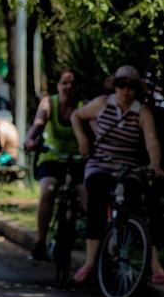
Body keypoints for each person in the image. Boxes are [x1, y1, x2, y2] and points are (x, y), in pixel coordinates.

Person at [70, 65, 164, 283]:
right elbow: (77, 116)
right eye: (121, 85)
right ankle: (90, 263)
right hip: (100, 164)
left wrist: (155, 163)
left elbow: (152, 139)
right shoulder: (102, 103)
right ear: (115, 86)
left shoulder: (142, 112)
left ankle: (153, 264)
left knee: (139, 208)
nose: (125, 91)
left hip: (128, 167)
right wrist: (83, 141)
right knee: (96, 201)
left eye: (131, 87)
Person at [24, 69, 87, 261]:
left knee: (89, 199)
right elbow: (38, 123)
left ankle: (100, 250)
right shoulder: (49, 103)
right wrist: (29, 139)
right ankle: (40, 241)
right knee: (48, 191)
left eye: (72, 83)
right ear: (58, 85)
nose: (68, 87)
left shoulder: (84, 106)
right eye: (64, 83)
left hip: (78, 160)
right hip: (52, 158)